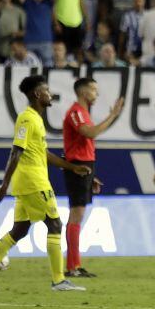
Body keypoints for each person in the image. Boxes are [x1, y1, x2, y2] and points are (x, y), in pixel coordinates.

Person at [0, 75, 90, 292]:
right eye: (46, 90)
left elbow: (42, 153)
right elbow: (16, 151)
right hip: (33, 181)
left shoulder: (36, 118)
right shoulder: (27, 118)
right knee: (54, 224)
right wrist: (4, 186)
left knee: (20, 229)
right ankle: (59, 280)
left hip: (29, 182)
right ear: (37, 94)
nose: (50, 93)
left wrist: (72, 167)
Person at [62, 78, 124, 278]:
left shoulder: (83, 113)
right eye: (94, 90)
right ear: (84, 92)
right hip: (78, 167)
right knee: (76, 216)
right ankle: (72, 267)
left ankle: (75, 265)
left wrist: (92, 174)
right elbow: (90, 133)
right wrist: (113, 115)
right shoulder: (76, 112)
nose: (96, 94)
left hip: (85, 167)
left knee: (77, 216)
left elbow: (83, 144)